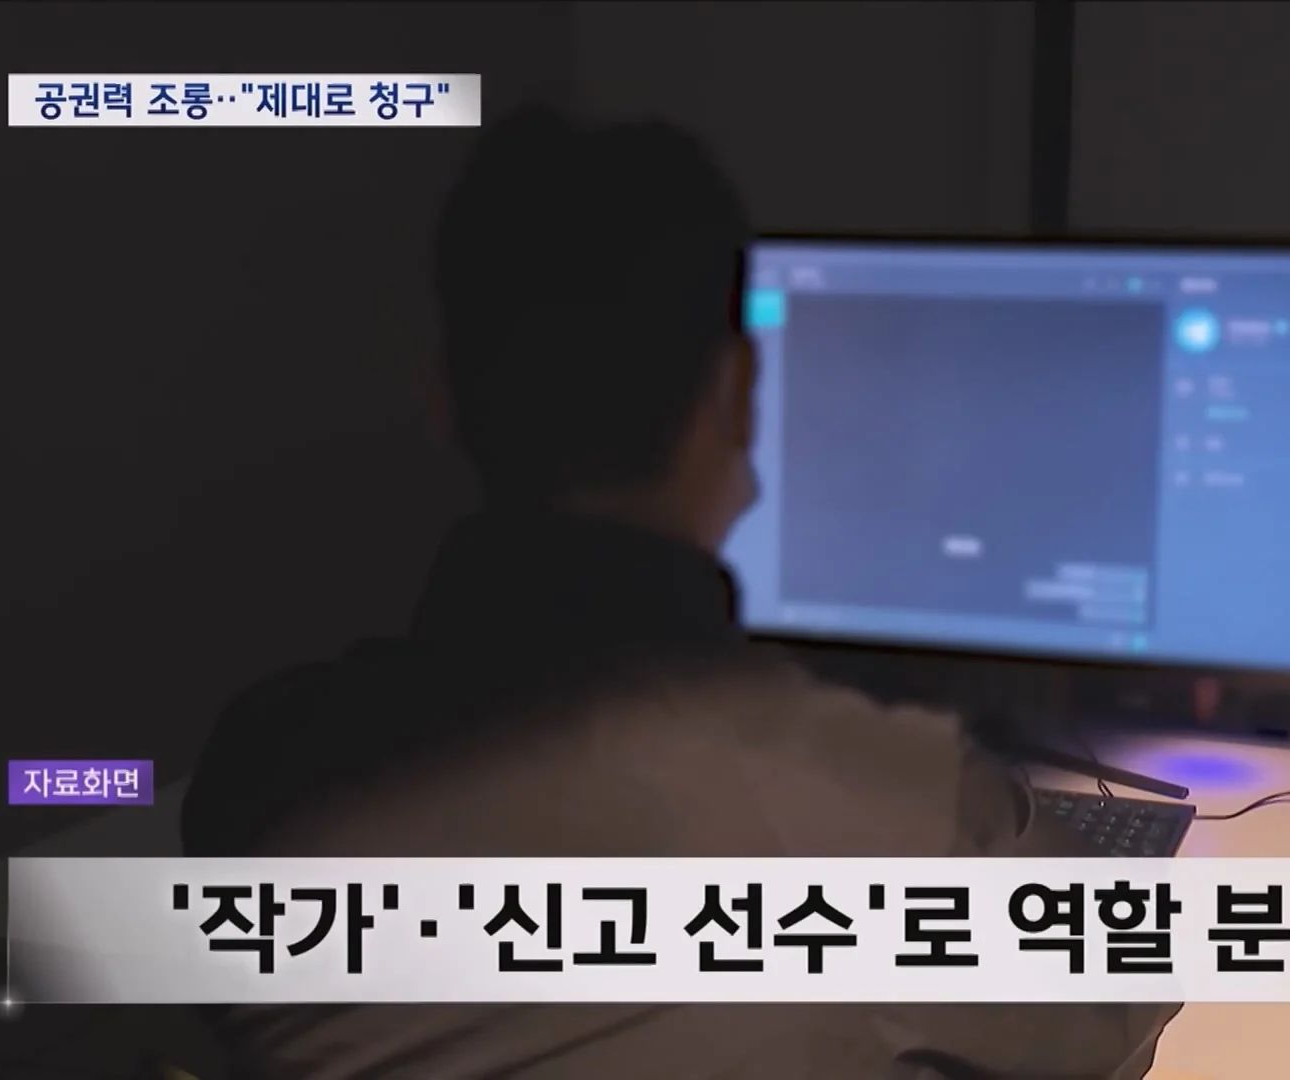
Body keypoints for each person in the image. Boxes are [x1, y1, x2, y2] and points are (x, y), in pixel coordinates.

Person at [180, 103, 1178, 1078]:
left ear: (442, 399)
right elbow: (1121, 986)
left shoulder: (256, 772)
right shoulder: (884, 813)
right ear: (738, 394)